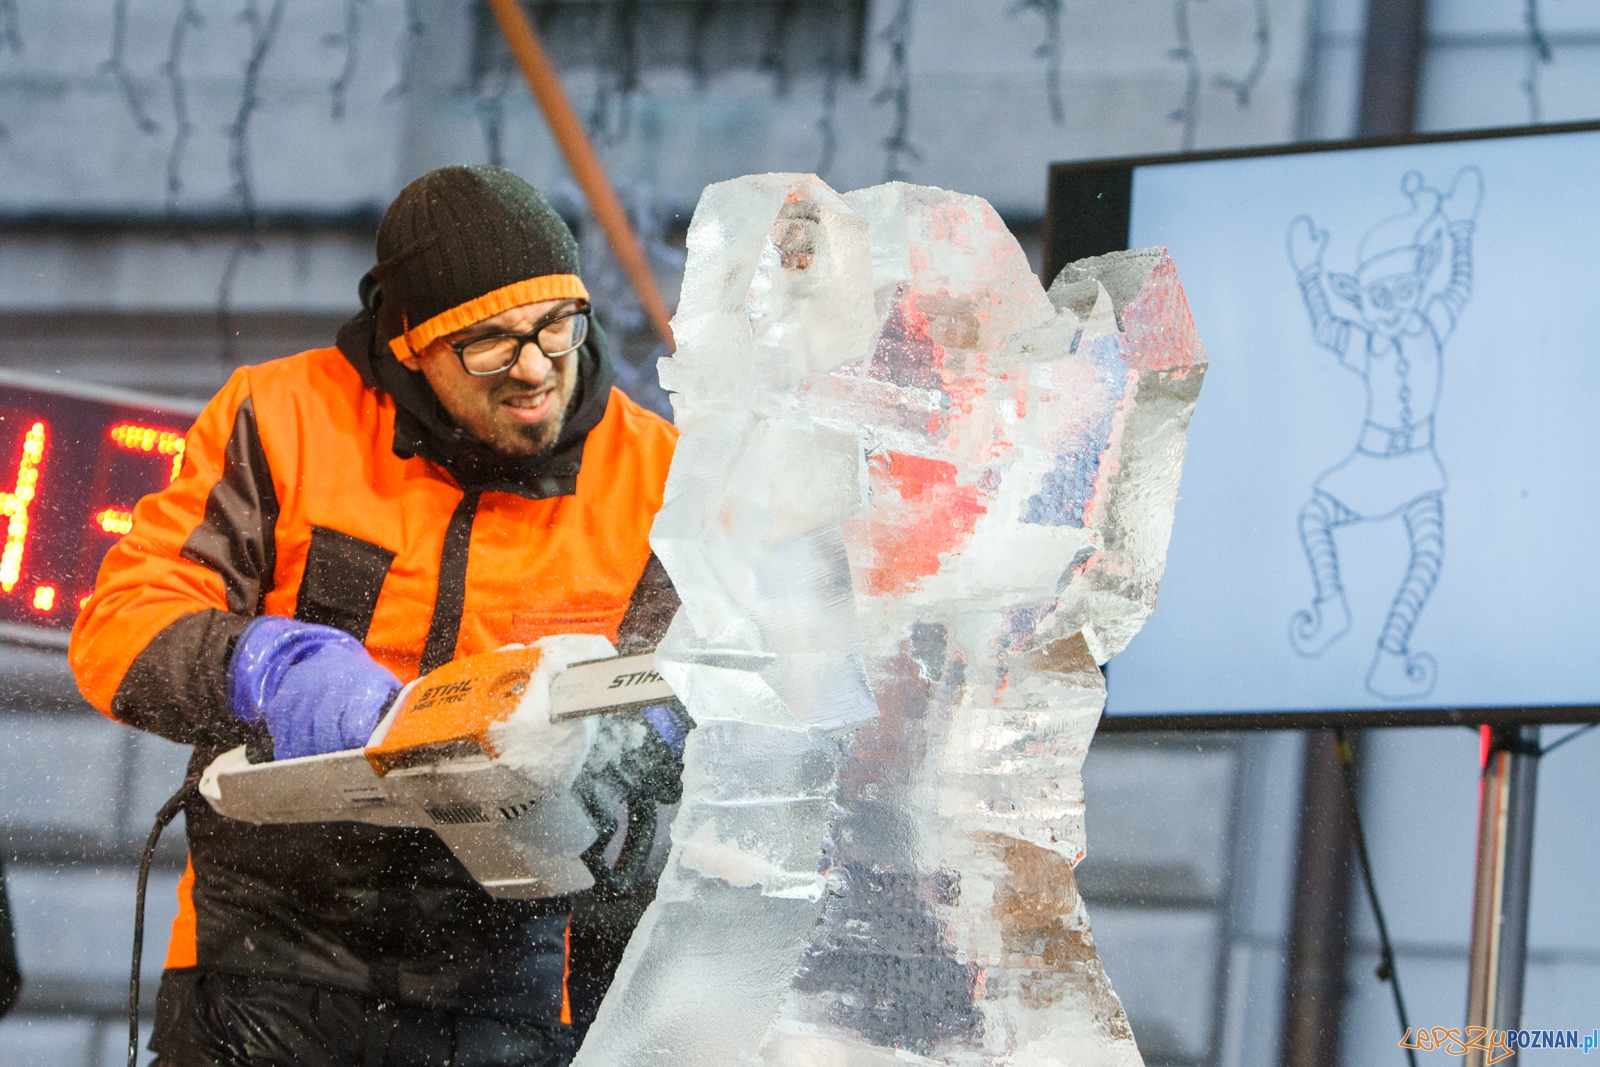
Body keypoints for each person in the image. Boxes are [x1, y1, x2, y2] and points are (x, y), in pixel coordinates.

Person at [68, 165, 680, 1067]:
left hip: (505, 985)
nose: (534, 368)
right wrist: (266, 666)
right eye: (490, 342)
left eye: (558, 326)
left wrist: (627, 742)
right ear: (410, 343)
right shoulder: (281, 418)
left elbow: (715, 683)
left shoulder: (657, 476)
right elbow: (119, 626)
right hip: (262, 966)